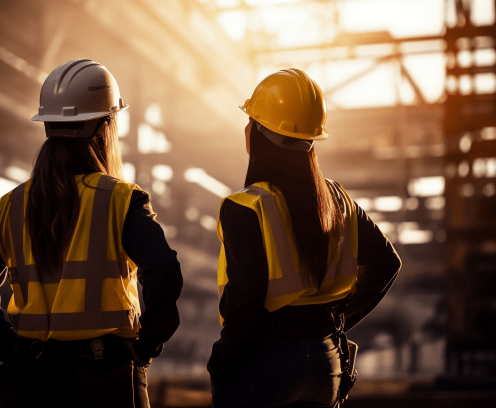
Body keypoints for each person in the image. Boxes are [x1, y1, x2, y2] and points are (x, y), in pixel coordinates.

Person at [207, 68, 402, 408]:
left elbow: (245, 301)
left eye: (251, 121)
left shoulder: (246, 207)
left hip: (265, 361)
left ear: (260, 132)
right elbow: (387, 263)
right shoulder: (339, 201)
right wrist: (337, 322)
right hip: (326, 361)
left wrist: (222, 361)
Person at [0, 59, 183, 408]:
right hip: (105, 378)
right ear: (104, 128)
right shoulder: (122, 200)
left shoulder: (10, 206)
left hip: (28, 378)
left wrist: (6, 345)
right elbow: (164, 270)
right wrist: (147, 346)